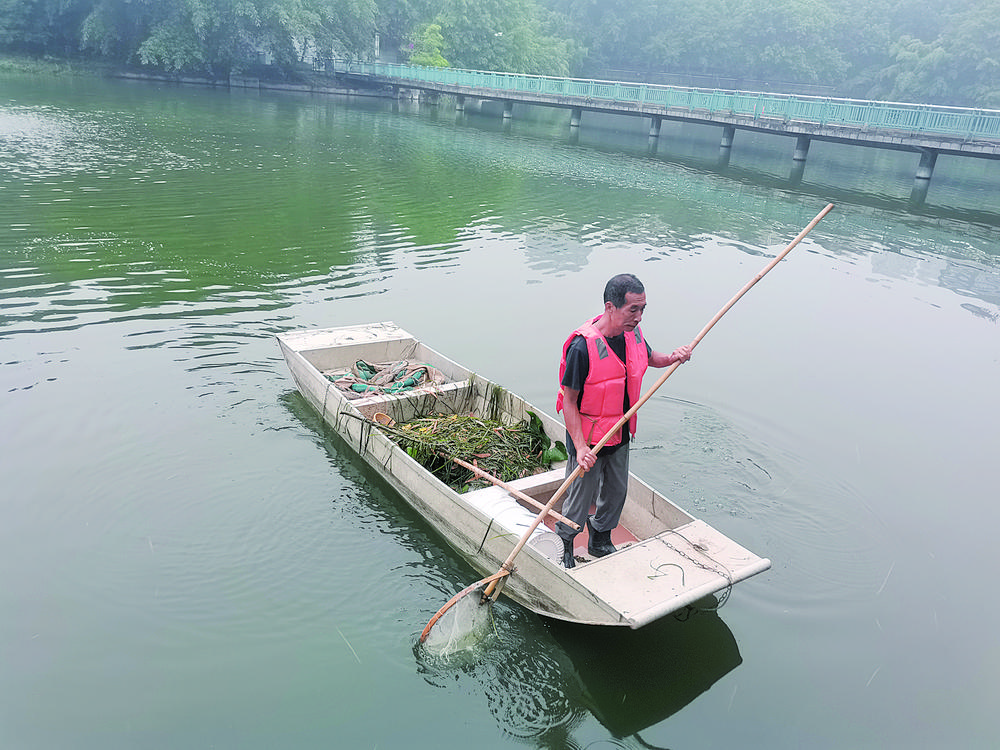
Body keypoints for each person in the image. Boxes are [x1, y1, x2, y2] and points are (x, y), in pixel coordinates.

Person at [555, 273, 693, 568]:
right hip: (588, 439)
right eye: (633, 309)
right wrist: (579, 448)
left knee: (617, 491)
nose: (639, 317)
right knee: (581, 495)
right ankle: (564, 540)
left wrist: (673, 357)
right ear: (610, 307)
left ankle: (600, 536)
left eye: (643, 309)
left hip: (619, 431)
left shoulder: (633, 334)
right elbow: (568, 401)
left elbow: (647, 357)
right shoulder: (583, 347)